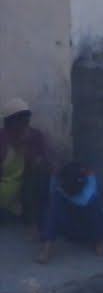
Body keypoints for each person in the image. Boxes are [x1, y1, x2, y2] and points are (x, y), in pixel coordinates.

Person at [36, 161, 103, 264]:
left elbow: (85, 199)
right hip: (70, 229)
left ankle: (99, 242)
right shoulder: (59, 183)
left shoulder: (90, 187)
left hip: (86, 230)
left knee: (96, 205)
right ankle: (46, 247)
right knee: (53, 205)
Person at [0, 97, 54, 236]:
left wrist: (29, 151)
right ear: (9, 122)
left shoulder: (35, 136)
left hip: (25, 190)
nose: (24, 123)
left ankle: (33, 222)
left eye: (26, 119)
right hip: (4, 192)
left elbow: (47, 164)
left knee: (38, 175)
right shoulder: (2, 139)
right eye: (19, 120)